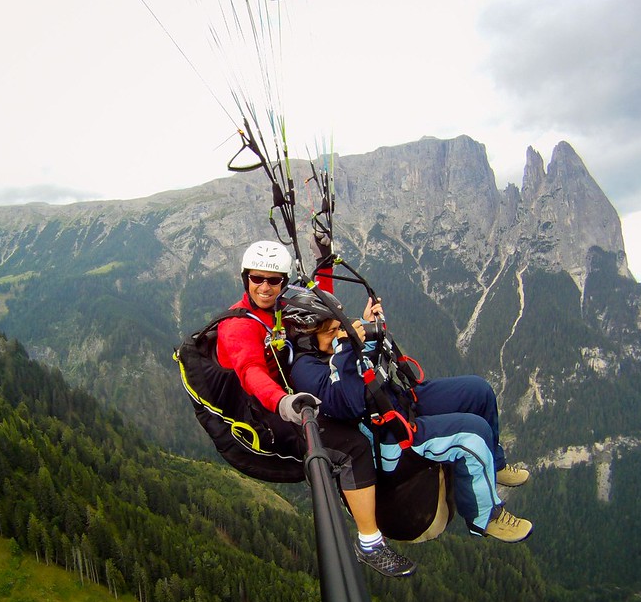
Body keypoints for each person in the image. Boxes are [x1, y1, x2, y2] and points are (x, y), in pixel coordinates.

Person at [215, 240, 417, 577]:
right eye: (256, 278)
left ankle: (387, 487)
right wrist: (283, 401)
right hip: (266, 412)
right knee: (352, 447)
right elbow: (250, 371)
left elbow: (318, 304)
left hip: (297, 392)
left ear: (283, 281)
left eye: (273, 280)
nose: (264, 286)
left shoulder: (282, 307)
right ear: (245, 279)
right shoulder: (239, 326)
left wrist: (325, 264)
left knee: (366, 409)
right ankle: (370, 542)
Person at [282, 288, 534, 543]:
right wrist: (347, 348)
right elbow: (347, 404)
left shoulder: (330, 352)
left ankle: (496, 465)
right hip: (389, 437)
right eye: (331, 331)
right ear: (306, 337)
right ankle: (486, 516)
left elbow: (362, 365)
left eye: (340, 327)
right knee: (473, 434)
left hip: (399, 402)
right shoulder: (306, 370)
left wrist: (368, 326)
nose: (338, 335)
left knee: (479, 391)